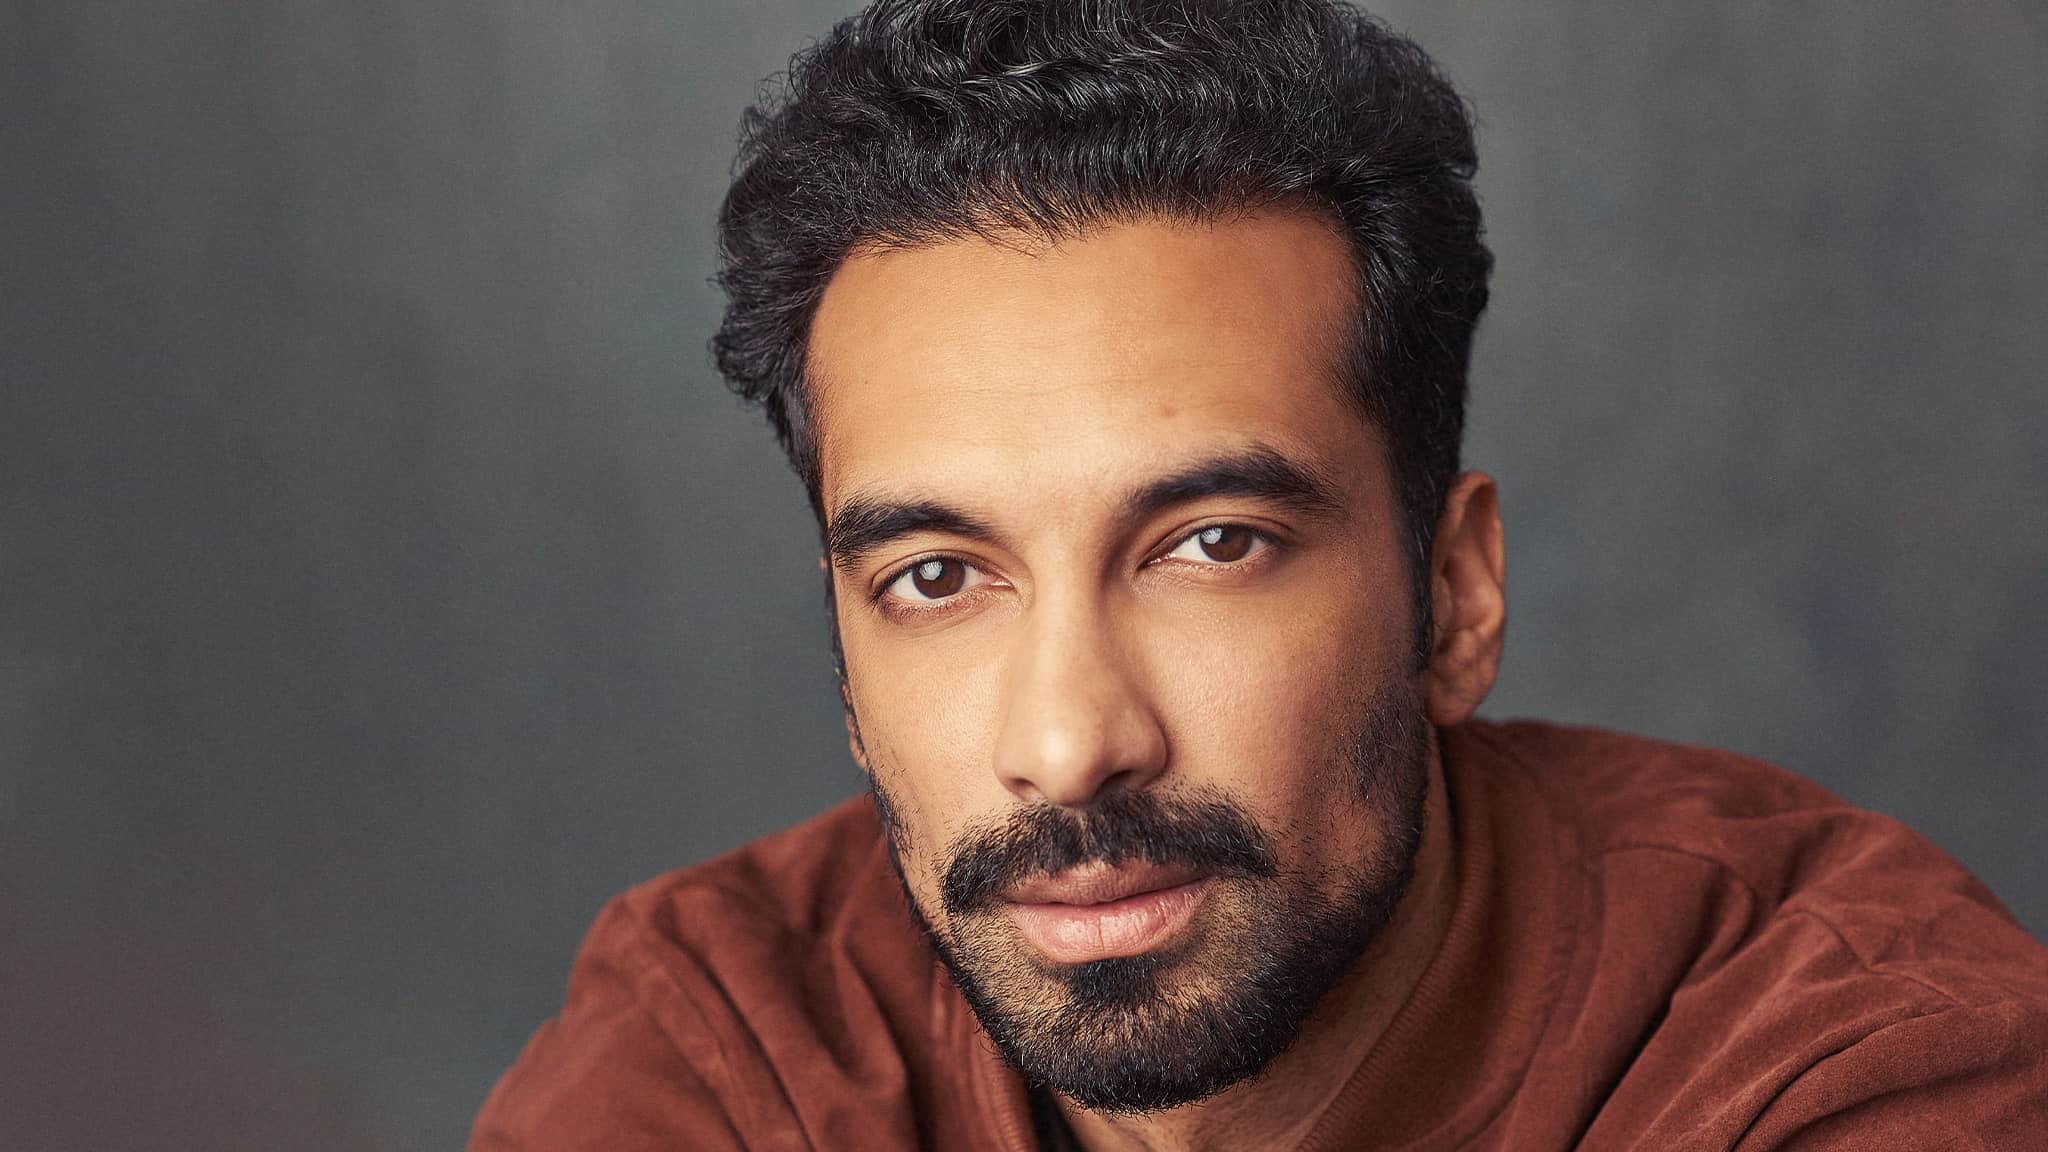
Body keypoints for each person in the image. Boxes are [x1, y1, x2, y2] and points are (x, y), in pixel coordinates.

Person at [469, 1, 2048, 1148]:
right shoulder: (725, 1051)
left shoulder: (1852, 1061)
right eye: (939, 578)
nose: (1070, 743)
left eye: (1211, 546)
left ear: (1455, 596)